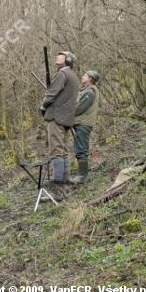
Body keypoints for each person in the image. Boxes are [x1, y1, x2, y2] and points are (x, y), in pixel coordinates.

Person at [39, 51, 80, 195]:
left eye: (61, 56)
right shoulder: (73, 76)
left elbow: (51, 94)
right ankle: (65, 187)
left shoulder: (62, 74)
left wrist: (43, 106)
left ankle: (58, 189)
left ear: (67, 60)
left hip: (56, 116)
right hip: (67, 118)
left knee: (56, 152)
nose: (57, 57)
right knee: (63, 152)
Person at [70, 70, 100, 183]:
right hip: (81, 123)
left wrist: (67, 113)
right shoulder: (86, 91)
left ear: (91, 79)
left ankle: (82, 176)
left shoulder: (90, 92)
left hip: (83, 124)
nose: (82, 76)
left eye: (85, 75)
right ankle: (81, 175)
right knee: (79, 148)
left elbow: (79, 108)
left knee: (81, 149)